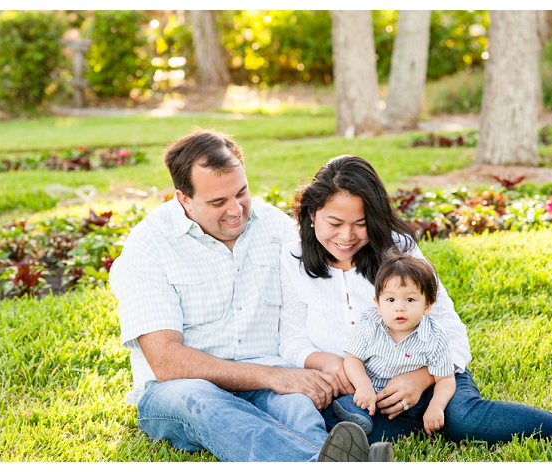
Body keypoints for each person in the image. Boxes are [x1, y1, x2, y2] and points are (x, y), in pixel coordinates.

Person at [278, 154, 552, 457]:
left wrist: (423, 378)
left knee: (464, 419)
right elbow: (291, 340)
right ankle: (412, 426)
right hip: (360, 389)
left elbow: (446, 323)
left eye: (361, 223)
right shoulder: (293, 257)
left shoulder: (396, 249)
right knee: (345, 419)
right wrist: (330, 363)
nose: (347, 236)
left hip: (430, 370)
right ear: (311, 215)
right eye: (334, 223)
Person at [109, 130, 392, 462]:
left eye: (241, 193)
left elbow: (331, 293)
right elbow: (166, 361)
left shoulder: (276, 227)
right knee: (203, 400)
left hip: (270, 375)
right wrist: (273, 376)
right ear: (183, 198)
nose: (235, 210)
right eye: (217, 202)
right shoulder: (149, 244)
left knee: (298, 407)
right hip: (182, 388)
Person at [333, 251, 456, 438]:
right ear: (378, 304)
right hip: (370, 395)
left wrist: (436, 407)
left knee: (411, 419)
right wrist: (363, 385)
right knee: (349, 405)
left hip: (408, 403)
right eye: (390, 300)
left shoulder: (435, 336)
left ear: (427, 306)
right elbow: (352, 359)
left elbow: (445, 379)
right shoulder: (369, 324)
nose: (399, 307)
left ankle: (363, 428)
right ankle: (354, 418)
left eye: (410, 299)